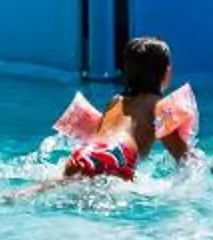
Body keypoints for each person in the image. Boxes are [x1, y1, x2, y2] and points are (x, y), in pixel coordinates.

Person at [40, 36, 190, 188]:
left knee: (57, 185)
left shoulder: (115, 101)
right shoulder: (159, 107)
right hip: (116, 157)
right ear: (167, 71)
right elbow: (183, 158)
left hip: (85, 152)